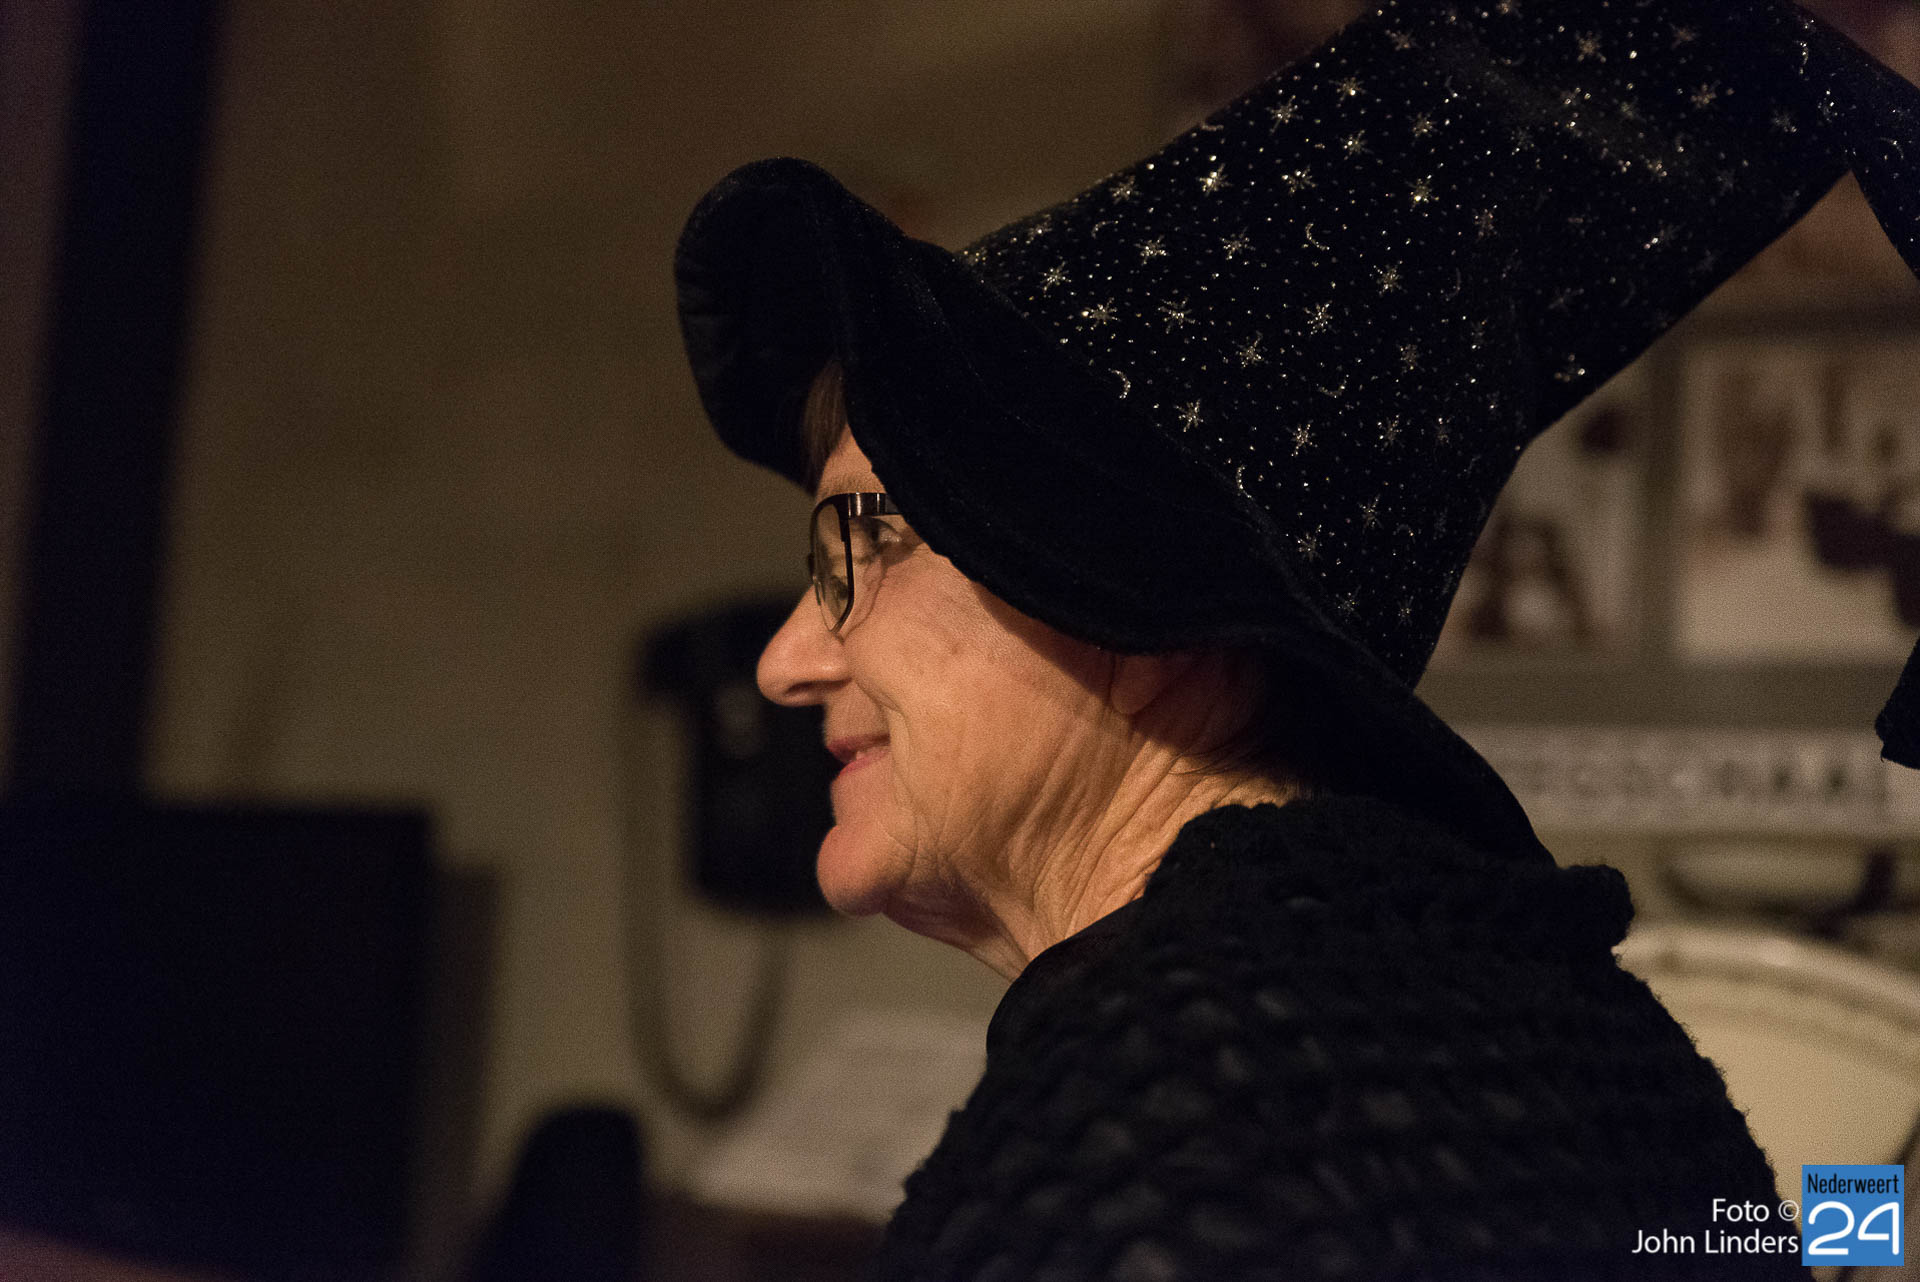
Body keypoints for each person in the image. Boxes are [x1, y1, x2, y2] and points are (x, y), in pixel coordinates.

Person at [676, 0, 1920, 1275]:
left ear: (1126, 593)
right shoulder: (1558, 1025)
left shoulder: (1168, 1119)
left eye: (866, 539)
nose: (785, 660)